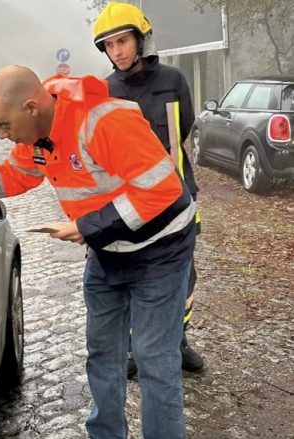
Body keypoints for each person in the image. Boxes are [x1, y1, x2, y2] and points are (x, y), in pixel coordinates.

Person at [0, 65, 196, 439]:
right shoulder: (40, 132)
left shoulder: (104, 122)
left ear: (31, 106)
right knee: (103, 354)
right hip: (108, 253)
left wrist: (88, 227)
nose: (2, 136)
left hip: (161, 253)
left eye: (3, 125)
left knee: (154, 361)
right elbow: (18, 171)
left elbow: (163, 191)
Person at [93, 1, 204, 377]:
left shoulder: (173, 80)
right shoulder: (104, 90)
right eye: (109, 45)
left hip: (176, 199)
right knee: (130, 277)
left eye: (123, 41)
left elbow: (183, 128)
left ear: (140, 40)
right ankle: (133, 349)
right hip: (128, 205)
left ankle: (178, 339)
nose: (117, 51)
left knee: (183, 276)